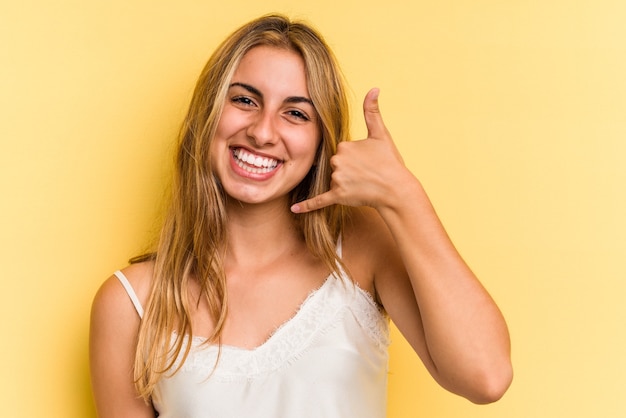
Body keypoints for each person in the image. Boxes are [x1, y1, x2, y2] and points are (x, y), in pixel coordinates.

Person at [89, 14, 512, 418]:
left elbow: (486, 377)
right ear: (208, 115)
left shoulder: (361, 251)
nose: (262, 131)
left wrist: (402, 193)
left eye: (295, 113)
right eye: (244, 100)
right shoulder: (131, 303)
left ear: (320, 143)